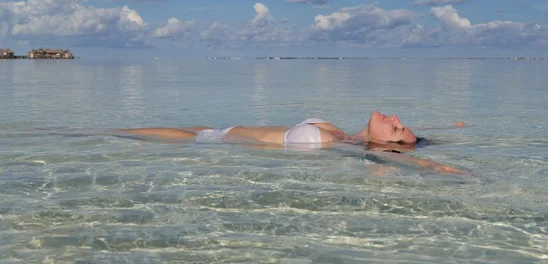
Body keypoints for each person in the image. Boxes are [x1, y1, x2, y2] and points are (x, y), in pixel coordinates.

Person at [120, 111, 468, 174]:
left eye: (395, 129)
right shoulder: (346, 135)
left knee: (111, 132)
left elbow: (391, 160)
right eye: (399, 122)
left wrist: (427, 164)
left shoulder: (344, 147)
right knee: (124, 131)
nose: (394, 119)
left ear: (382, 144)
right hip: (215, 130)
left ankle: (67, 133)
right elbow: (404, 145)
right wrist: (443, 129)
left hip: (209, 141)